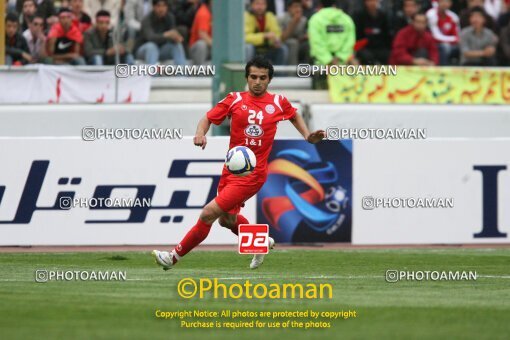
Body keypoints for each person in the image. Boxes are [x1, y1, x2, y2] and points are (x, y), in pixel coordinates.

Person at [151, 56, 326, 270]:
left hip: (252, 175)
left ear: (269, 80)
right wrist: (200, 133)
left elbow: (294, 116)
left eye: (263, 77)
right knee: (227, 220)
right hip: (231, 170)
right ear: (247, 77)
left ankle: (173, 258)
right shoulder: (234, 99)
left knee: (208, 213)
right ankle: (261, 242)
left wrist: (308, 136)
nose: (258, 81)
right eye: (253, 77)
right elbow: (207, 118)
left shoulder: (278, 102)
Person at [135, 0, 187, 65]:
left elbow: (172, 34)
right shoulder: (146, 20)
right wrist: (166, 35)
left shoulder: (170, 17)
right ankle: (151, 74)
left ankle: (182, 74)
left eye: (164, 6)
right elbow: (150, 37)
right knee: (152, 46)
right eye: (158, 6)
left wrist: (176, 38)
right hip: (144, 50)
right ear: (153, 7)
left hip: (161, 49)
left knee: (177, 45)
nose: (161, 9)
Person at [308, 0, 356, 66]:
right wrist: (340, 58)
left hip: (320, 65)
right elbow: (350, 42)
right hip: (343, 65)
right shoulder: (347, 19)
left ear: (320, 4)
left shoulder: (315, 19)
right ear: (335, 3)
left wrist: (328, 61)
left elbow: (316, 43)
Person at [245, 0, 289, 65]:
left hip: (268, 50)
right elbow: (245, 37)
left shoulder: (270, 16)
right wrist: (264, 36)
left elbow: (276, 33)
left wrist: (276, 40)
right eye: (257, 3)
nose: (260, 7)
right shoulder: (246, 16)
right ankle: (247, 73)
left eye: (263, 4)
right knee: (249, 47)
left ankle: (280, 74)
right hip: (254, 50)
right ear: (251, 5)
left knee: (282, 49)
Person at [352, 0, 392, 65]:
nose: (372, 3)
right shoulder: (359, 15)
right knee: (366, 56)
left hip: (380, 47)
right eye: (369, 1)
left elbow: (386, 35)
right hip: (364, 47)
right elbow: (357, 36)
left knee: (387, 54)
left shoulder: (383, 15)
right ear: (365, 2)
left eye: (374, 1)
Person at [426, 0, 460, 65]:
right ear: (438, 2)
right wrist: (454, 39)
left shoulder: (453, 16)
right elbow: (435, 36)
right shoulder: (431, 14)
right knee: (445, 47)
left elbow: (457, 34)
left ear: (451, 3)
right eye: (442, 1)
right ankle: (443, 69)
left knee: (461, 47)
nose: (444, 4)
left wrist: (456, 39)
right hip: (433, 44)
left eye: (447, 1)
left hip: (450, 44)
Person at [279, 0, 309, 64]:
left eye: (300, 7)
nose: (298, 9)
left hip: (299, 43)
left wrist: (306, 36)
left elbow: (302, 36)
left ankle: (307, 71)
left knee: (309, 44)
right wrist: (294, 22)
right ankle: (292, 72)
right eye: (295, 7)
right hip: (283, 44)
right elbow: (283, 38)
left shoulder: (304, 20)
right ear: (289, 8)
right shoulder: (281, 18)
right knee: (293, 43)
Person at [189, 0, 212, 65]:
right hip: (196, 49)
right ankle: (199, 72)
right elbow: (202, 35)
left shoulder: (217, 13)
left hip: (210, 48)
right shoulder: (203, 13)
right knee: (201, 45)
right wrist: (217, 46)